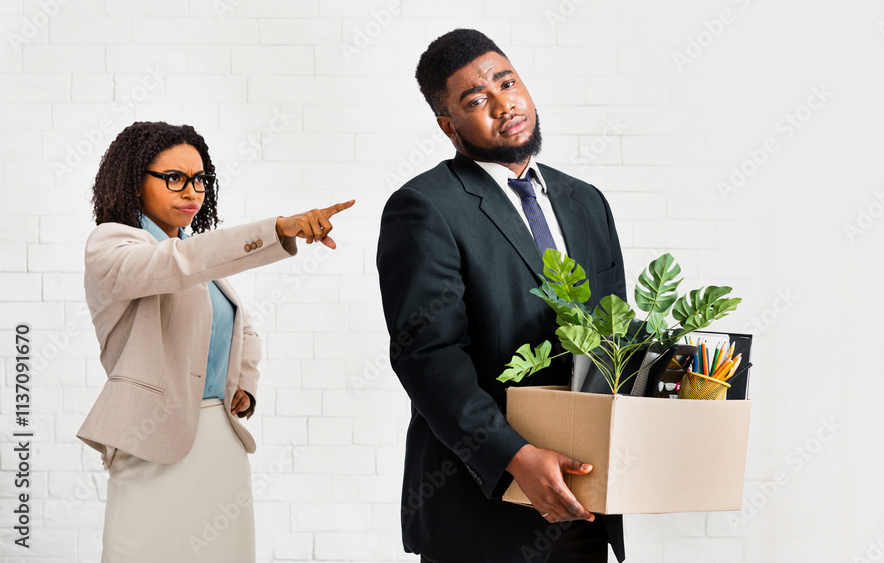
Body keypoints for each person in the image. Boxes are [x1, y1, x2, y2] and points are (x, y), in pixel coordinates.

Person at [377, 29, 626, 563]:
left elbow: (613, 335)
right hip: (481, 508)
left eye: (507, 82)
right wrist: (514, 456)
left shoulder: (586, 202)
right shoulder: (424, 207)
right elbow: (428, 358)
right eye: (475, 99)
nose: (503, 103)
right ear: (449, 126)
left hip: (585, 501)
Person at [79, 121, 354, 562]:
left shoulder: (192, 249)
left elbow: (241, 326)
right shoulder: (112, 245)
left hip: (219, 440)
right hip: (152, 441)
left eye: (200, 179)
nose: (191, 191)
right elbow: (177, 265)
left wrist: (244, 385)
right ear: (135, 183)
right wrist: (278, 228)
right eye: (175, 178)